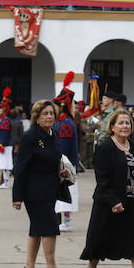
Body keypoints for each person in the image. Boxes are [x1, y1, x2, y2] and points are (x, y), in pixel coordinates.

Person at [80, 109, 134, 268]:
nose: (125, 126)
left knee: (133, 238)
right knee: (100, 238)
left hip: (131, 200)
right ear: (112, 126)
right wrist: (113, 201)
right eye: (121, 123)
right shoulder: (105, 147)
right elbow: (101, 178)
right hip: (107, 202)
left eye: (128, 123)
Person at [12, 99, 70, 268]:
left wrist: (62, 170)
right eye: (45, 113)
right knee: (50, 227)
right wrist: (17, 196)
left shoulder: (54, 134)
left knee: (37, 229)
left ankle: (29, 266)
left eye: (51, 113)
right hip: (34, 191)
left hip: (50, 189)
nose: (49, 116)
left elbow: (53, 158)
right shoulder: (30, 136)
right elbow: (20, 167)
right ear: (36, 117)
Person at [54, 89, 79, 232]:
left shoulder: (65, 124)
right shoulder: (62, 121)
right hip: (63, 162)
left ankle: (66, 220)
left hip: (65, 164)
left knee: (65, 191)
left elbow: (62, 149)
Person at [0, 90, 14, 189]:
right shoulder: (3, 120)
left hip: (4, 145)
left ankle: (5, 183)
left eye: (0, 108)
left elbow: (4, 134)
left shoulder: (5, 121)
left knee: (6, 164)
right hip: (3, 144)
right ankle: (5, 182)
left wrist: (2, 144)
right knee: (4, 163)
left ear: (4, 109)